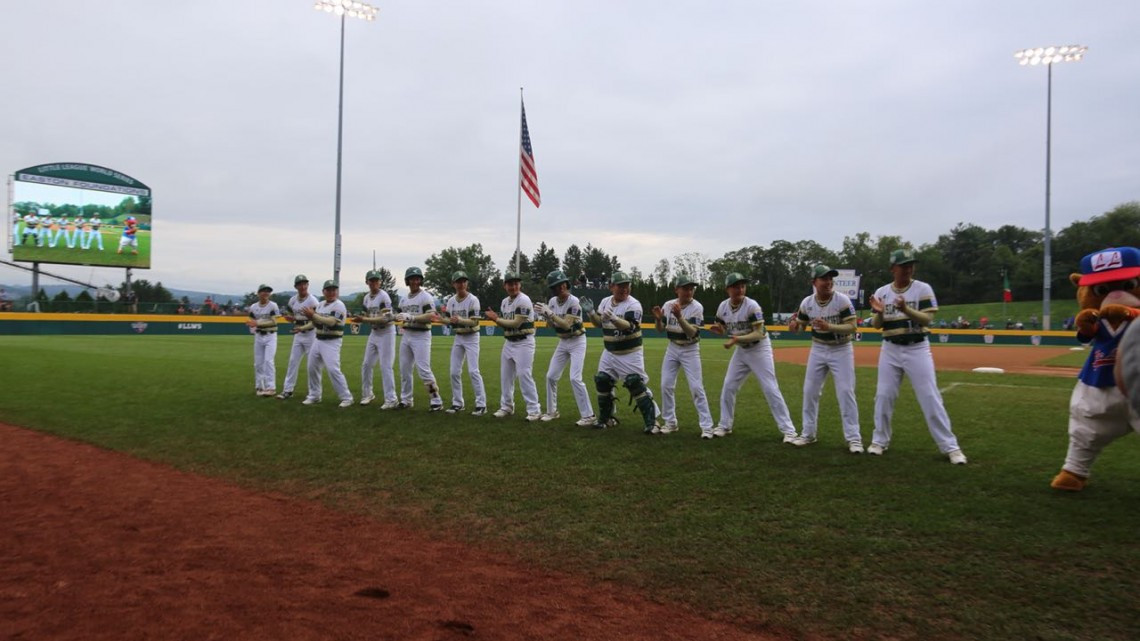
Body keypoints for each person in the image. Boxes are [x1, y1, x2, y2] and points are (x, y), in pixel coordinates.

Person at [868, 248, 967, 464]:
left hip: (917, 347)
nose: (908, 269)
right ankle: (879, 441)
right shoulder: (882, 292)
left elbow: (927, 319)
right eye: (903, 265)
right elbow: (876, 325)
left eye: (911, 265)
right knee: (883, 396)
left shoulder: (922, 288)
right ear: (893, 268)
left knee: (930, 396)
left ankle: (951, 447)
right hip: (890, 348)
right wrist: (880, 312)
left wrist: (906, 309)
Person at [709, 273, 799, 441]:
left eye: (742, 286)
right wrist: (719, 330)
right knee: (729, 386)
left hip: (759, 348)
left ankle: (789, 431)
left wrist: (736, 339)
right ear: (728, 289)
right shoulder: (723, 307)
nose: (740, 289)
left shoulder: (752, 306)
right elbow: (722, 327)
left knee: (770, 387)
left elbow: (759, 333)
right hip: (742, 350)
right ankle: (724, 425)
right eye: (736, 286)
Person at [787, 265, 863, 452]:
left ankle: (854, 438)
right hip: (818, 348)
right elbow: (801, 326)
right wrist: (794, 326)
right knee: (810, 391)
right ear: (814, 282)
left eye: (830, 279)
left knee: (846, 392)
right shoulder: (807, 302)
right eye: (824, 279)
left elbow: (852, 327)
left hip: (841, 348)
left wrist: (829, 326)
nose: (828, 282)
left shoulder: (841, 300)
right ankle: (808, 434)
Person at [585, 271, 660, 432]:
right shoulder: (605, 302)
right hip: (609, 351)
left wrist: (614, 318)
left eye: (627, 285)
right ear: (611, 287)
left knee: (635, 384)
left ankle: (652, 422)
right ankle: (606, 419)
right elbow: (598, 323)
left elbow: (630, 327)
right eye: (621, 286)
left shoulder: (633, 304)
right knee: (602, 380)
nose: (625, 289)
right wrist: (591, 313)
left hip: (630, 352)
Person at [652, 274, 714, 437]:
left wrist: (679, 317)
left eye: (691, 289)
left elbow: (692, 333)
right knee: (666, 385)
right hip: (672, 348)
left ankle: (707, 426)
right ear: (676, 290)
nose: (689, 291)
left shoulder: (696, 307)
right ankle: (670, 423)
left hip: (690, 349)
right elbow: (660, 329)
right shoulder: (668, 305)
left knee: (696, 387)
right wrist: (658, 320)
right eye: (685, 288)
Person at [535, 270, 595, 425]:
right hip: (563, 341)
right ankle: (552, 412)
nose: (561, 287)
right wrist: (546, 316)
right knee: (551, 376)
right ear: (553, 288)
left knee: (575, 378)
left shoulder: (574, 301)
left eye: (562, 284)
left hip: (577, 341)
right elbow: (550, 325)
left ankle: (588, 415)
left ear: (566, 284)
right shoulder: (552, 301)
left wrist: (550, 314)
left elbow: (567, 324)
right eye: (557, 285)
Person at [484, 271, 541, 420]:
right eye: (510, 284)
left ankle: (534, 409)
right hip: (509, 342)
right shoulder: (504, 302)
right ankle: (507, 406)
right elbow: (506, 324)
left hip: (524, 342)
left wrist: (496, 319)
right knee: (506, 377)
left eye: (516, 283)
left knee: (524, 374)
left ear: (520, 285)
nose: (513, 286)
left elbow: (516, 323)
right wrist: (498, 319)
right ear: (505, 286)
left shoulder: (524, 300)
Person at [435, 270, 487, 416]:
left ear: (467, 283)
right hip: (459, 336)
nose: (461, 284)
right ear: (454, 284)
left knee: (473, 371)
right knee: (454, 371)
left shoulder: (473, 300)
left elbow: (474, 322)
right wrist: (441, 319)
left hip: (472, 336)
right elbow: (448, 320)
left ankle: (481, 404)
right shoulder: (451, 301)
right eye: (458, 282)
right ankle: (458, 403)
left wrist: (459, 320)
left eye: (463, 281)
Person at [395, 267, 444, 411]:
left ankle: (436, 400)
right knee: (404, 369)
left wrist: (411, 317)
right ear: (407, 281)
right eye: (412, 279)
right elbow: (399, 316)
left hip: (421, 336)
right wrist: (393, 316)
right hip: (407, 335)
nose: (415, 281)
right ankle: (406, 399)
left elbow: (431, 316)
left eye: (417, 279)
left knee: (424, 370)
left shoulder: (425, 297)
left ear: (420, 280)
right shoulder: (404, 299)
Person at [301, 280, 353, 407]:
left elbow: (331, 322)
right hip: (318, 339)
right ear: (323, 291)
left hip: (332, 341)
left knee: (333, 369)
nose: (331, 292)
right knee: (312, 367)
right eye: (328, 290)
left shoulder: (339, 305)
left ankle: (347, 397)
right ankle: (314, 395)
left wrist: (313, 315)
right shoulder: (320, 305)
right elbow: (315, 322)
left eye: (334, 290)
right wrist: (302, 328)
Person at [352, 270, 398, 408]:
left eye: (376, 280)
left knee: (386, 366)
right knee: (366, 364)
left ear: (380, 282)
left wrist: (364, 319)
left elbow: (385, 318)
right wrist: (359, 318)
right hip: (374, 332)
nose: (374, 283)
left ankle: (391, 399)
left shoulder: (383, 296)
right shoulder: (367, 297)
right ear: (367, 282)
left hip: (386, 332)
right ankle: (367, 394)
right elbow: (364, 314)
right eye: (371, 280)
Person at [277, 275, 319, 400]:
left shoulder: (313, 301)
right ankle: (287, 390)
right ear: (296, 286)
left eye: (305, 283)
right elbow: (292, 315)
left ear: (308, 285)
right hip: (298, 334)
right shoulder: (292, 300)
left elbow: (317, 319)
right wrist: (291, 319)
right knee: (292, 362)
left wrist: (296, 320)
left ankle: (314, 393)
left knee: (312, 365)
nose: (303, 286)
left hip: (311, 334)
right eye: (300, 284)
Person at [245, 284, 280, 397]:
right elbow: (251, 320)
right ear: (258, 293)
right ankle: (260, 386)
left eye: (268, 291)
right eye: (263, 291)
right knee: (258, 363)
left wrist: (257, 323)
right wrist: (252, 326)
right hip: (259, 335)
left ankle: (271, 387)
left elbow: (274, 321)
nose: (266, 293)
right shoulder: (253, 307)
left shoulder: (273, 305)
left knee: (269, 361)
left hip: (270, 335)